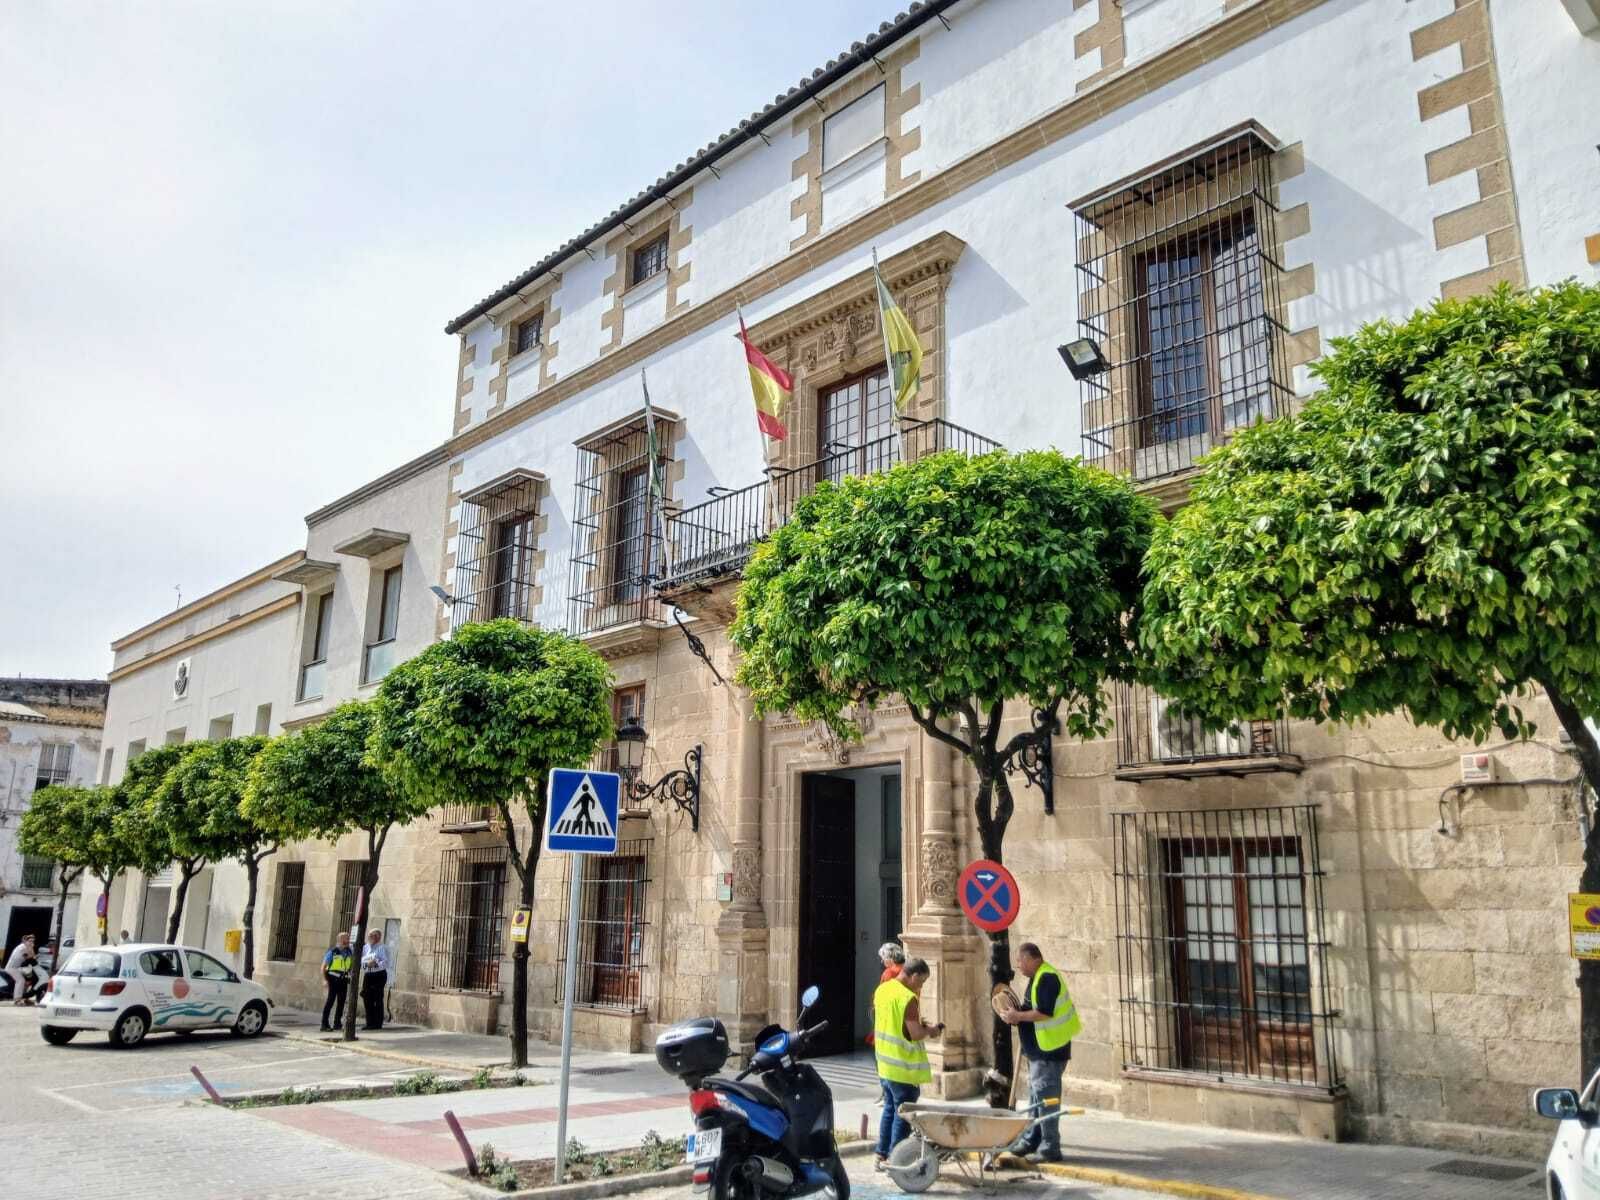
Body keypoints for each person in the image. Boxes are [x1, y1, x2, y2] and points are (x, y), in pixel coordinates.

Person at [1000, 942, 1082, 1164]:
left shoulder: (1046, 978)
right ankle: (1031, 1140)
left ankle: (1050, 1148)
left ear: (1031, 959)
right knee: (1037, 1098)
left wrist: (1018, 1017)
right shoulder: (1036, 979)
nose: (1018, 966)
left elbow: (1044, 1012)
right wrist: (1015, 1012)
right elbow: (1031, 1008)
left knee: (1047, 1101)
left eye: (1020, 961)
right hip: (1039, 1051)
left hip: (1049, 1052)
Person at [872, 957, 943, 1170]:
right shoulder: (907, 998)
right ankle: (896, 1160)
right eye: (921, 982)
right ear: (913, 976)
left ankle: (881, 1156)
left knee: (889, 1110)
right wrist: (931, 1031)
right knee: (902, 1115)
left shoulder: (882, 990)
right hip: (903, 1067)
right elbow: (914, 1033)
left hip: (884, 1063)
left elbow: (893, 1023)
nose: (920, 987)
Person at [321, 932, 354, 1031]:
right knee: (330, 1002)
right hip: (332, 979)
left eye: (348, 939)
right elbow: (323, 967)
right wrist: (324, 980)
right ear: (340, 940)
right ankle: (324, 1024)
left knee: (341, 1002)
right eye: (346, 939)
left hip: (343, 980)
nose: (348, 941)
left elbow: (350, 966)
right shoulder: (333, 952)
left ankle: (337, 1023)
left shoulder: (349, 952)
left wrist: (350, 975)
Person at [360, 928, 391, 1030]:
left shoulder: (383, 948)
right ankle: (369, 1022)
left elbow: (386, 962)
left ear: (379, 937)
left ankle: (377, 1023)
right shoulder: (365, 948)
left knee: (377, 998)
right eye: (371, 935)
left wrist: (376, 964)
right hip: (368, 975)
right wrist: (365, 964)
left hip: (379, 975)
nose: (373, 937)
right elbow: (361, 961)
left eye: (375, 935)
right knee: (367, 998)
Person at [6, 934, 38, 1005]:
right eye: (30, 941)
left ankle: (24, 998)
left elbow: (33, 956)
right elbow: (29, 957)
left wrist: (31, 948)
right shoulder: (22, 948)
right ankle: (17, 999)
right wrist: (31, 949)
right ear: (25, 941)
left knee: (28, 979)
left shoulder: (27, 947)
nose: (31, 942)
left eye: (33, 941)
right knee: (21, 980)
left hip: (18, 968)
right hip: (12, 968)